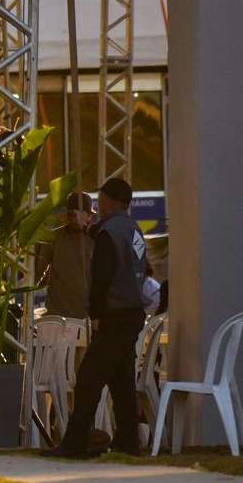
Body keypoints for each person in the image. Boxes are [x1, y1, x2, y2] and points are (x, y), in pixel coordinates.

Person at [50, 178, 153, 460]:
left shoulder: (109, 232)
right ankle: (127, 443)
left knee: (88, 378)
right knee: (121, 382)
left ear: (106, 201)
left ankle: (75, 443)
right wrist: (87, 226)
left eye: (101, 200)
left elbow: (103, 274)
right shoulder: (134, 231)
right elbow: (142, 267)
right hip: (132, 314)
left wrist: (95, 313)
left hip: (114, 315)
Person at [41, 192, 94, 320]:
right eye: (71, 215)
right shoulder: (53, 238)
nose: (75, 220)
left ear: (90, 216)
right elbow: (37, 271)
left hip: (87, 316)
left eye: (79, 216)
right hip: (57, 313)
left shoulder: (97, 239)